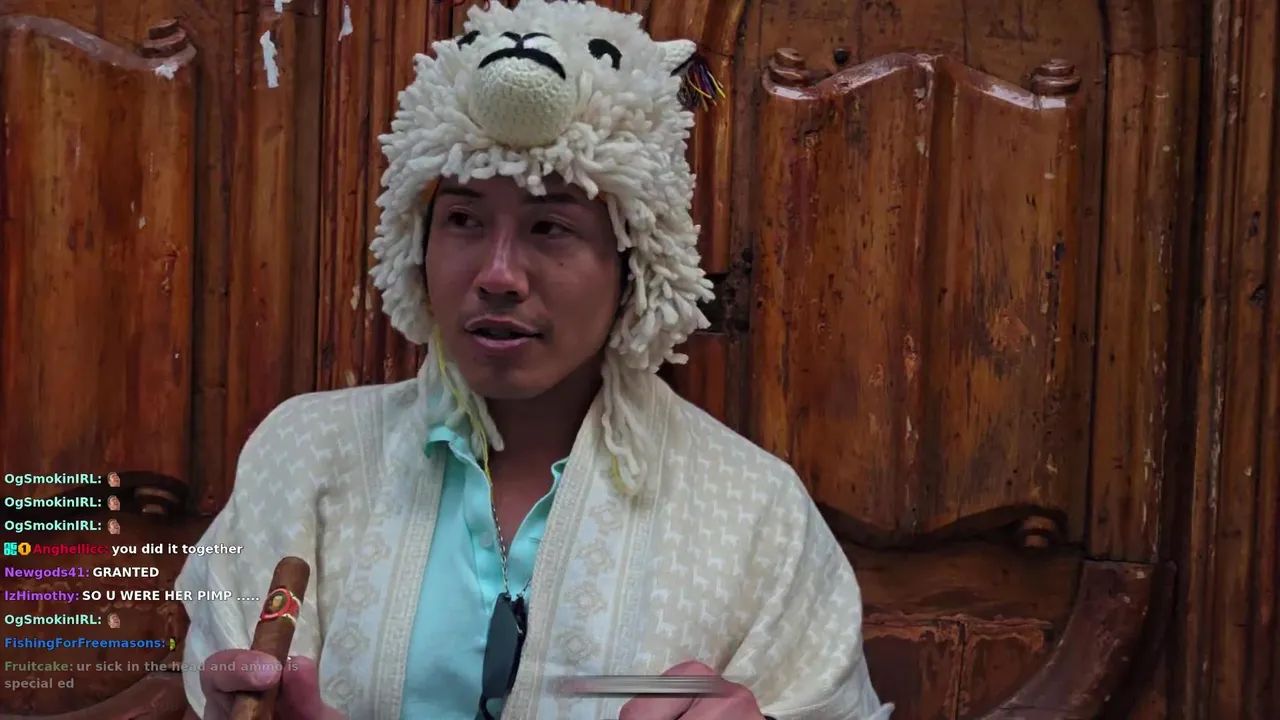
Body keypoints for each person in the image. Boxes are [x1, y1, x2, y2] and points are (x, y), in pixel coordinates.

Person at [174, 2, 890, 719]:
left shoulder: (755, 512)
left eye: (551, 226)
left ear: (635, 263)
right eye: (463, 219)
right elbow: (235, 668)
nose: (499, 275)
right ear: (416, 244)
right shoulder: (303, 456)